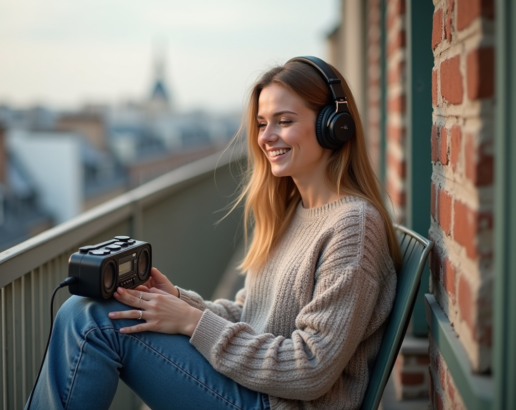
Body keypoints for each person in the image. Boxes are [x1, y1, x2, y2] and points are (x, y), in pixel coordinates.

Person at [27, 56, 402, 410]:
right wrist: (177, 300)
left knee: (91, 321)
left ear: (334, 126)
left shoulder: (353, 226)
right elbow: (249, 314)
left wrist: (191, 322)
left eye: (283, 121)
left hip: (276, 403)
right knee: (89, 307)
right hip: (253, 390)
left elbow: (311, 367)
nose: (266, 137)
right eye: (261, 124)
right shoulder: (292, 211)